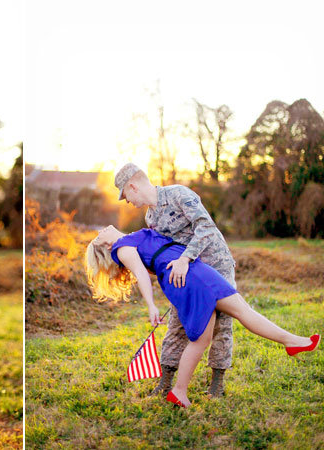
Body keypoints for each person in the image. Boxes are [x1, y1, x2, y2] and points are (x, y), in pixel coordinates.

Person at [86, 225, 320, 407]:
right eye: (97, 236)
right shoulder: (122, 248)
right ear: (105, 247)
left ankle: (179, 392)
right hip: (188, 279)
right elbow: (142, 274)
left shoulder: (133, 238)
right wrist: (151, 306)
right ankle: (292, 341)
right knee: (219, 326)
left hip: (193, 270)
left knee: (209, 334)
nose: (100, 230)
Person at [114, 163, 235, 397]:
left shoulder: (179, 194)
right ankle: (166, 381)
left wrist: (185, 258)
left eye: (125, 195)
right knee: (177, 321)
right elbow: (162, 250)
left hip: (215, 265)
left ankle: (216, 385)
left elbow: (206, 227)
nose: (126, 201)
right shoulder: (150, 216)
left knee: (221, 323)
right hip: (186, 275)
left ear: (132, 186)